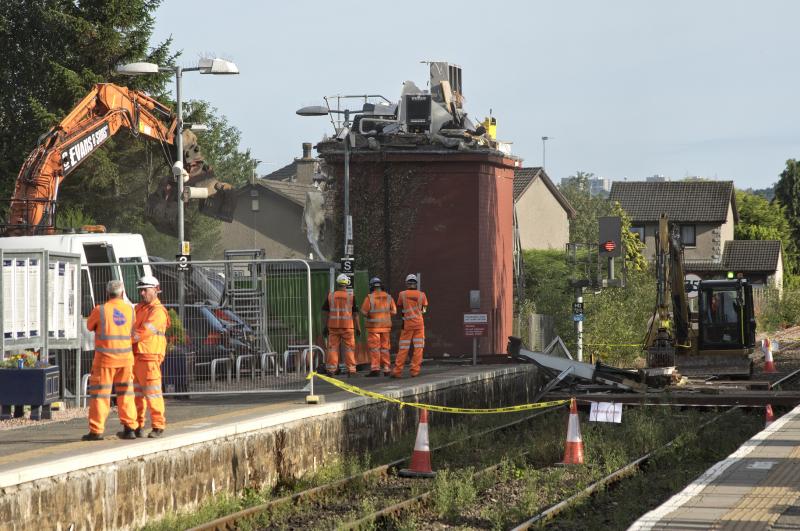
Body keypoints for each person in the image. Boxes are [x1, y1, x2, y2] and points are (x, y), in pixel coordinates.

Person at [82, 280, 138, 441]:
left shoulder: (100, 310)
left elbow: (89, 326)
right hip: (126, 360)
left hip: (105, 361)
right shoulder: (130, 310)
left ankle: (96, 430)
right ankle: (130, 428)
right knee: (126, 394)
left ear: (107, 293)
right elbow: (132, 330)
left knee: (100, 395)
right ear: (122, 293)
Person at [132, 275, 170, 438]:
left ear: (155, 290)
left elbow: (144, 332)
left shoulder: (158, 311)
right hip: (137, 355)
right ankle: (137, 426)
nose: (142, 293)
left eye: (145, 290)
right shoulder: (139, 308)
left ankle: (158, 425)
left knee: (153, 392)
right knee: (136, 395)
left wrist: (126, 339)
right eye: (140, 290)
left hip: (149, 355)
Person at [322, 274, 361, 377]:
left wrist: (325, 326)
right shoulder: (351, 296)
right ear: (347, 284)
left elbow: (325, 312)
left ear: (337, 283)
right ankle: (351, 371)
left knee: (333, 348)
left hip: (333, 327)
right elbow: (355, 314)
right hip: (348, 327)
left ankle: (331, 370)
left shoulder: (331, 296)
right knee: (349, 348)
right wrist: (358, 328)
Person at [392, 273, 429, 378]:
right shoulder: (422, 295)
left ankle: (397, 371)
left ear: (407, 283)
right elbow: (424, 310)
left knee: (403, 348)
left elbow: (399, 305)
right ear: (416, 284)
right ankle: (415, 371)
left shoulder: (402, 294)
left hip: (407, 325)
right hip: (419, 325)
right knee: (418, 348)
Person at [360, 277, 397, 377]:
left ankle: (375, 369)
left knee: (375, 349)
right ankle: (386, 369)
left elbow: (363, 312)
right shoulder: (389, 297)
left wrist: (370, 315)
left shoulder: (370, 298)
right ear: (381, 286)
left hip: (373, 328)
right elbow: (394, 311)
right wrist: (385, 314)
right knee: (385, 348)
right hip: (385, 327)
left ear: (372, 287)